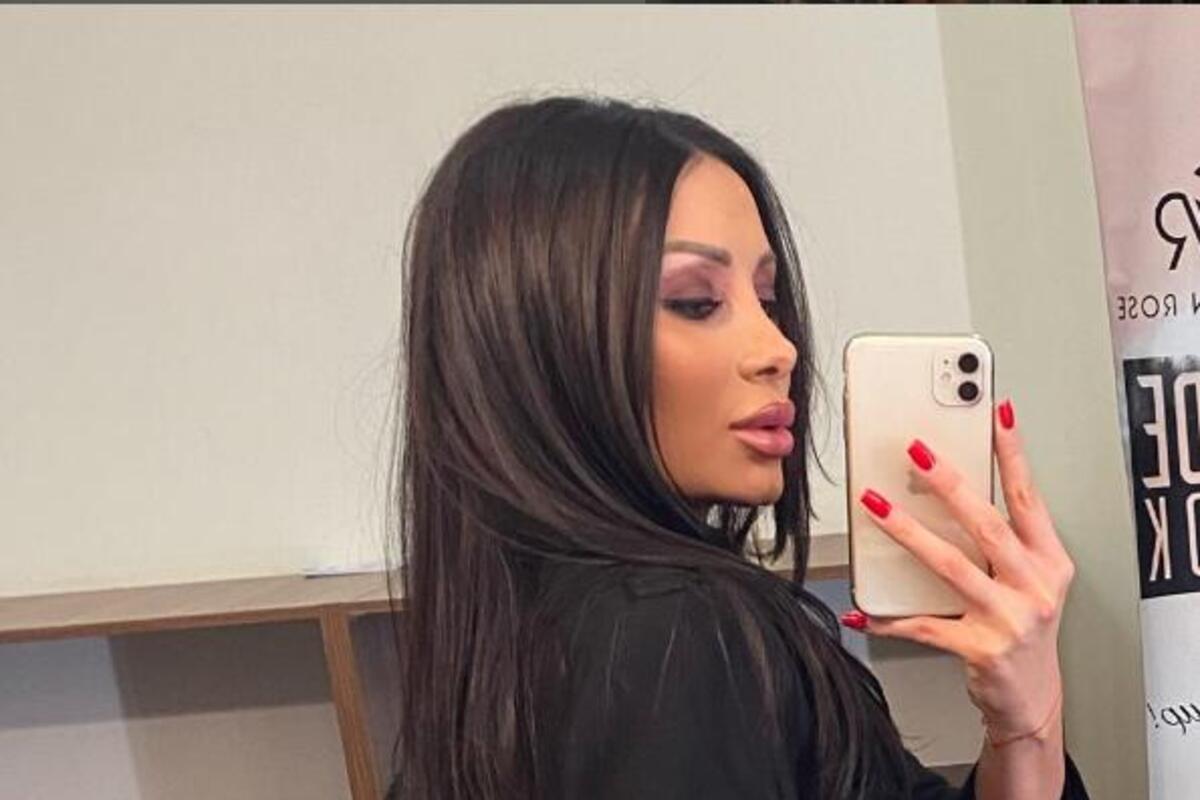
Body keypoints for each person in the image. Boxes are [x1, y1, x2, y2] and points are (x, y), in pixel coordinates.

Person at [381, 93, 1090, 799]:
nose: (778, 348)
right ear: (542, 339)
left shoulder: (506, 637)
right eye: (696, 302)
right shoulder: (670, 633)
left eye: (768, 298)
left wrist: (1025, 724)